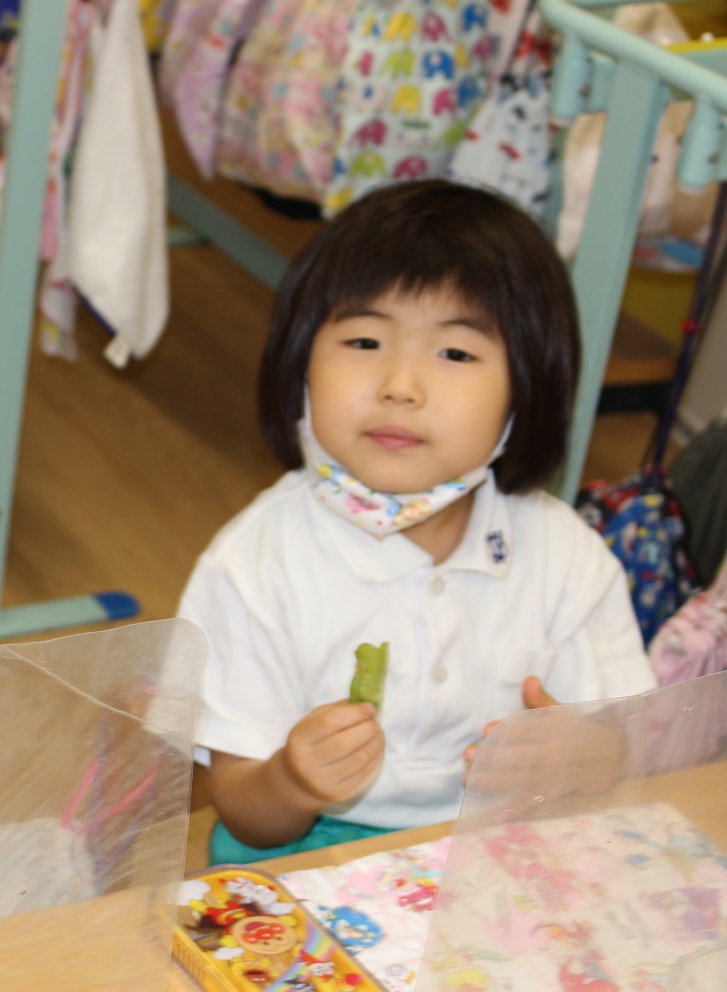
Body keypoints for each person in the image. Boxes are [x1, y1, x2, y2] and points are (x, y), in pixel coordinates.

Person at [180, 180, 655, 864]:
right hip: (307, 853)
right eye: (364, 340)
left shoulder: (566, 557)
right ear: (299, 365)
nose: (400, 386)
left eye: (456, 353)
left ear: (527, 389)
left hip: (497, 844)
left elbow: (631, 742)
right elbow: (247, 811)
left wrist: (587, 758)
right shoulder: (252, 565)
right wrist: (292, 780)